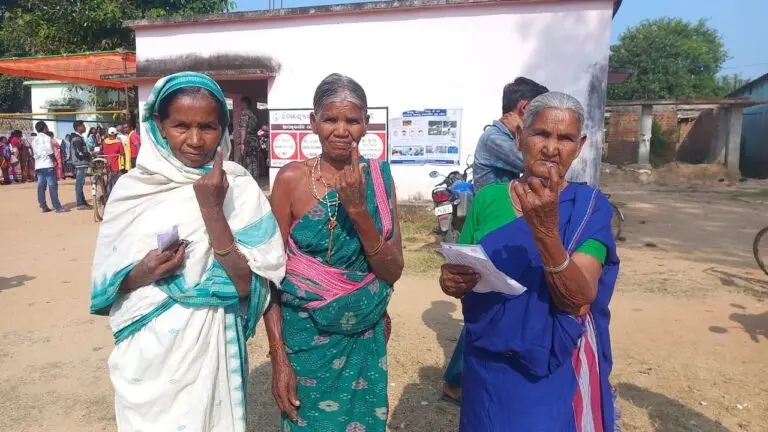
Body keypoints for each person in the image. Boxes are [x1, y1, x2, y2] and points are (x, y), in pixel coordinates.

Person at [90, 72, 286, 430]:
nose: (195, 140)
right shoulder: (133, 190)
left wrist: (212, 210)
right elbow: (107, 283)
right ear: (159, 126)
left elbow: (249, 286)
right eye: (181, 125)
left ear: (223, 128)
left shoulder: (239, 188)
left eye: (208, 127)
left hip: (212, 343)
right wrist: (143, 272)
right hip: (148, 353)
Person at [440, 92, 620, 431]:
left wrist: (547, 234)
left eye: (565, 138)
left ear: (578, 146)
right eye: (542, 134)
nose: (552, 148)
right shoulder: (489, 199)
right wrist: (449, 281)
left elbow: (579, 299)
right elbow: (462, 265)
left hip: (547, 368)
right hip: (484, 362)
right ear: (521, 137)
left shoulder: (588, 207)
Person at [268, 73, 404, 431]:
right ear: (313, 123)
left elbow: (392, 271)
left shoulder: (379, 179)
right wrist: (278, 354)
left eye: (352, 120)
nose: (341, 130)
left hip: (363, 337)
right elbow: (270, 275)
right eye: (330, 119)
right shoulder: (291, 181)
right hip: (304, 339)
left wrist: (358, 210)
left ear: (366, 124)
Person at [441, 76, 550, 404]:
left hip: (514, 223)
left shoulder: (501, 136)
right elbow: (533, 161)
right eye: (540, 127)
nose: (543, 140)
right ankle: (456, 380)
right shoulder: (495, 138)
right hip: (494, 226)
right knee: (488, 305)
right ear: (524, 109)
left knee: (502, 304)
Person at [472, 77, 549, 191]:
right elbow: (537, 166)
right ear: (525, 107)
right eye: (540, 111)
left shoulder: (508, 136)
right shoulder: (495, 138)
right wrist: (522, 131)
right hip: (492, 207)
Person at [32, 122, 68, 213]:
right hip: (47, 164)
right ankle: (57, 207)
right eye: (47, 126)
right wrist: (54, 160)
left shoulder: (34, 139)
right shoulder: (46, 138)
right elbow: (49, 151)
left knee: (41, 186)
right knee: (52, 185)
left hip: (38, 165)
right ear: (44, 128)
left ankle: (43, 206)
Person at [238, 96, 261, 179]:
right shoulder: (253, 115)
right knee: (254, 162)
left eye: (241, 104)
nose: (241, 105)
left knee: (246, 162)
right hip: (254, 141)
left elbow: (243, 129)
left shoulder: (245, 114)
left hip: (247, 141)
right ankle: (255, 180)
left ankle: (249, 180)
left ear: (245, 104)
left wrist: (242, 143)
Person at [71, 121, 92, 210]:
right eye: (83, 126)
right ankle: (80, 203)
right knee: (79, 184)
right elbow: (79, 153)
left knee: (81, 183)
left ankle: (82, 202)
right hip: (80, 163)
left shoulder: (79, 138)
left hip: (82, 163)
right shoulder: (76, 139)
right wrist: (89, 154)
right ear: (79, 127)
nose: (85, 127)